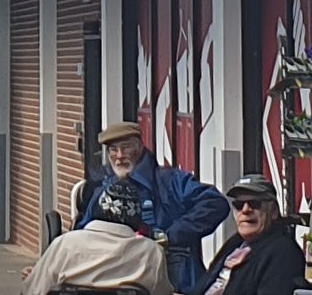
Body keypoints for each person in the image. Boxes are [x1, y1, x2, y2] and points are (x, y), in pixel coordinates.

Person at [77, 123, 230, 295]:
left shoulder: (170, 181)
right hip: (114, 280)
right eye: (113, 150)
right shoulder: (103, 189)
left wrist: (171, 235)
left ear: (140, 147)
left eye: (126, 148)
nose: (119, 156)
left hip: (173, 282)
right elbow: (82, 232)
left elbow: (215, 203)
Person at [23, 176, 175, 295]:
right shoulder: (151, 252)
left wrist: (33, 277)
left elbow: (34, 291)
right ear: (136, 219)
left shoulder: (65, 244)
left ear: (99, 209)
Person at [192, 176, 307, 295]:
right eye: (239, 205)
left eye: (254, 204)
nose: (245, 210)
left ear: (273, 211)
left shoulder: (283, 252)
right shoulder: (235, 243)